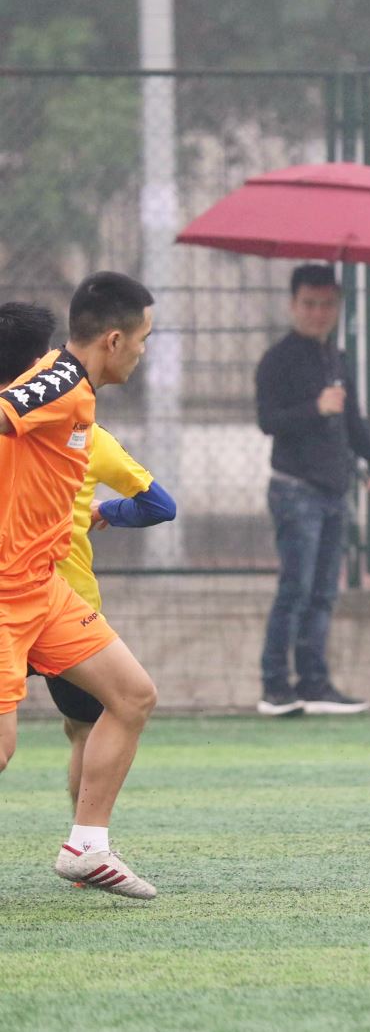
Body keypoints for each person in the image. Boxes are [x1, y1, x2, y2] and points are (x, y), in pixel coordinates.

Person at [0, 272, 163, 899]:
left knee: (132, 696)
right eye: (143, 339)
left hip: (43, 589)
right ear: (115, 340)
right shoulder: (61, 383)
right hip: (6, 592)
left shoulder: (77, 392)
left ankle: (86, 847)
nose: (143, 352)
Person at [255, 264, 370, 716]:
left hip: (335, 491)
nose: (318, 313)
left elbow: (353, 421)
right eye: (309, 304)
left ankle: (314, 683)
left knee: (324, 592)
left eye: (327, 304)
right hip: (295, 491)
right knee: (295, 588)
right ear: (293, 304)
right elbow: (268, 420)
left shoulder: (336, 359)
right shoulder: (278, 360)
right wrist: (316, 407)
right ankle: (276, 686)